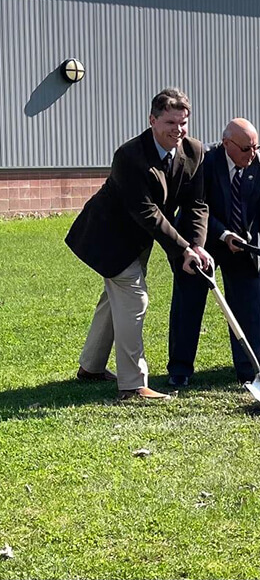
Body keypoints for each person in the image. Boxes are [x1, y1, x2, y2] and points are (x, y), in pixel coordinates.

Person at [66, 88, 212, 401]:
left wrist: (197, 245)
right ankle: (133, 385)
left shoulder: (195, 151)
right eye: (171, 122)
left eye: (184, 122)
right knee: (134, 298)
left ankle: (90, 368)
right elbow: (147, 212)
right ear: (152, 120)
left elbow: (197, 204)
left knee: (113, 301)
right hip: (109, 237)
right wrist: (182, 248)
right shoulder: (130, 155)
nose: (179, 130)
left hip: (141, 238)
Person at [166, 119, 260, 387]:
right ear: (227, 144)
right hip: (201, 241)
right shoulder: (205, 160)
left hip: (243, 246)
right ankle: (180, 369)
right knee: (188, 303)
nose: (253, 154)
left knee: (248, 306)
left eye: (256, 147)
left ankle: (249, 371)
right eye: (247, 149)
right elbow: (197, 206)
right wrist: (223, 234)